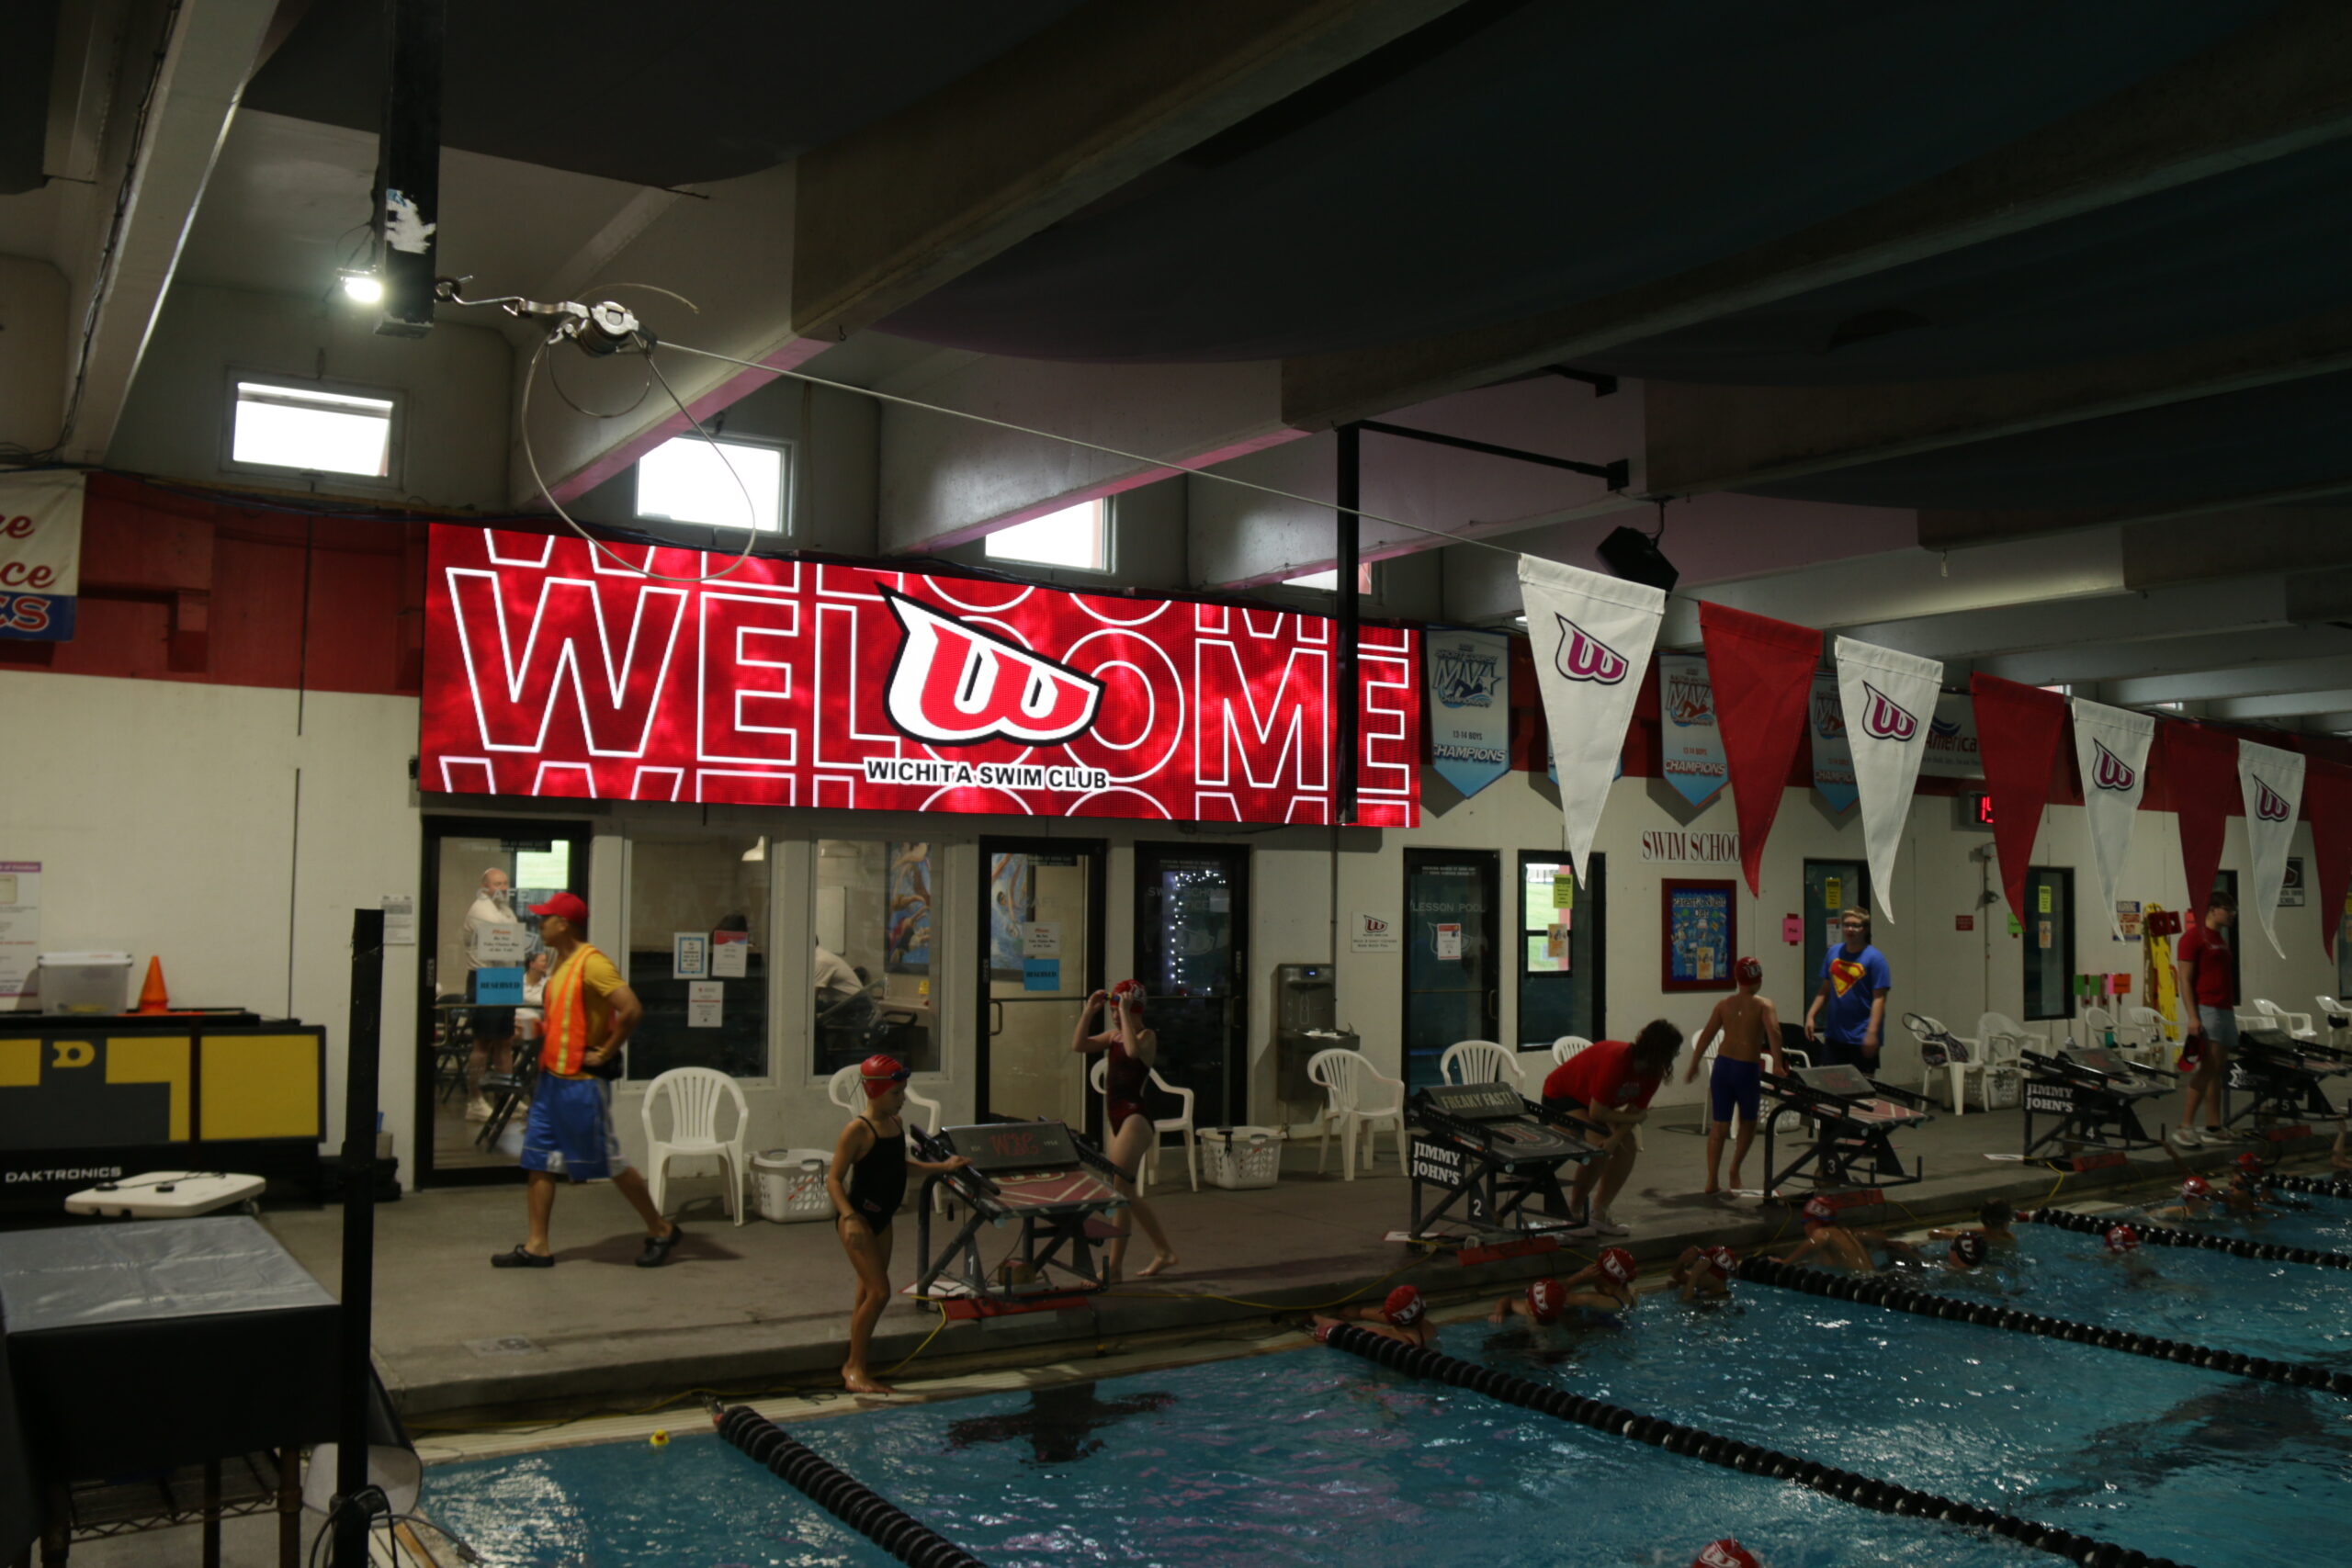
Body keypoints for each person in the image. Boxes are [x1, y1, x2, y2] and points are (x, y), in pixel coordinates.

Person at [492, 893, 680, 1269]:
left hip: (581, 1084)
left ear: (564, 924)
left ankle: (661, 1229)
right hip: (551, 1080)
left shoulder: (592, 964)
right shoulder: (560, 964)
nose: (539, 924)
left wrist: (607, 1051)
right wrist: (538, 1029)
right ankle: (537, 1246)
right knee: (538, 1160)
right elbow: (567, 1019)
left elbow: (632, 1009)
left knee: (609, 1161)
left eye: (546, 919)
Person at [829, 1053, 969, 1394]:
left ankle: (856, 1361)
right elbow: (834, 1180)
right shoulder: (857, 1130)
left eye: (903, 1091)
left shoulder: (894, 1123)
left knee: (867, 1292)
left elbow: (898, 1167)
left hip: (883, 1217)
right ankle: (854, 1368)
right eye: (896, 1093)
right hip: (859, 1219)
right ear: (873, 1091)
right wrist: (849, 1218)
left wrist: (943, 1167)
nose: (902, 1098)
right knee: (880, 1292)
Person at [1071, 981, 1179, 1280]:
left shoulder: (1146, 1036)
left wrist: (1129, 1015)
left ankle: (1116, 1268)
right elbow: (1078, 1045)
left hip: (1134, 1117)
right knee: (1124, 1193)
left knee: (1119, 1193)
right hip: (1115, 1118)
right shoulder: (1113, 1036)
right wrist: (1088, 1012)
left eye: (1119, 1011)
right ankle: (1164, 1252)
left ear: (1136, 1009)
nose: (1115, 1017)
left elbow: (1132, 1052)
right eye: (1113, 1011)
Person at [1541, 1021, 1686, 1236]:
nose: (1674, 1057)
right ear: (1660, 1051)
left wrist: (1616, 1139)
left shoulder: (1653, 1072)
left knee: (1627, 1145)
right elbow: (1598, 1113)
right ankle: (1573, 1212)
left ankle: (1600, 1212)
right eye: (1673, 1052)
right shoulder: (1617, 1061)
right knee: (1598, 1145)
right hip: (1561, 1097)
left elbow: (1629, 1116)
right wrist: (1632, 1121)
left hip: (1592, 1104)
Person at [1686, 957, 1787, 1196]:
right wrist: (1779, 1065)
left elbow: (1707, 1035)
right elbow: (1774, 1033)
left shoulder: (1724, 1004)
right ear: (1759, 979)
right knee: (1748, 1124)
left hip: (1722, 1067)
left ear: (1737, 979)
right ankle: (1734, 1171)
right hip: (1745, 1069)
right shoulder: (1764, 1005)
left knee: (1719, 1126)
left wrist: (1694, 1063)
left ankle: (1711, 1180)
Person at [2172, 891, 2237, 1147]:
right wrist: (2192, 1017)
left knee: (2216, 1071)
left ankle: (2213, 1126)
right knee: (2207, 1069)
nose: (2232, 915)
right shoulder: (2192, 938)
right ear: (2212, 909)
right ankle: (2185, 1126)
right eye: (2228, 909)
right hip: (2207, 1009)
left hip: (2224, 1008)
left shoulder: (2218, 939)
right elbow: (2184, 980)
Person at [462, 867, 525, 1122]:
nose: (502, 887)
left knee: (505, 1042)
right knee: (483, 1042)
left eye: (504, 883)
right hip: (485, 979)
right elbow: (504, 944)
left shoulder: (505, 910)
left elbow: (514, 942)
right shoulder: (481, 909)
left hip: (506, 978)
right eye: (496, 883)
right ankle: (475, 1101)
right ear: (485, 886)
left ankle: (504, 1096)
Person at [1804, 908, 1891, 1076]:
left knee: (1862, 1089)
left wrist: (1872, 1033)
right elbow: (1825, 989)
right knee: (1832, 1085)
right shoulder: (1834, 952)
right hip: (1835, 1034)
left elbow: (1879, 999)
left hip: (1861, 1035)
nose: (1850, 929)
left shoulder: (1875, 959)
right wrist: (1811, 1015)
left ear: (1864, 929)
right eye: (1846, 925)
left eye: (1856, 925)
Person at [1487, 1248, 1638, 1324]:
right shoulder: (1630, 1294)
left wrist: (1580, 1276)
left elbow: (1551, 1295)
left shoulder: (1592, 1300)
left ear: (1600, 1274)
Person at [1783, 1195, 1920, 1273]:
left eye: (1804, 1223)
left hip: (1863, 1283)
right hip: (1877, 1279)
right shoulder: (1846, 1233)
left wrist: (1785, 1262)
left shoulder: (1824, 1233)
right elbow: (1878, 1237)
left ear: (1812, 1222)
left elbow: (1815, 1242)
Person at [1314, 1285, 1431, 1348]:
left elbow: (1340, 1331)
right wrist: (1360, 1312)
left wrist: (1316, 1317)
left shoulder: (1380, 1335)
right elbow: (1399, 1318)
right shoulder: (1428, 1329)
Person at [1928, 1200, 2017, 1252]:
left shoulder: (1969, 1238)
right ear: (2005, 1223)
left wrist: (1953, 1231)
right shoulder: (2009, 1238)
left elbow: (1932, 1233)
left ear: (1982, 1219)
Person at [1668, 1244, 1737, 1302]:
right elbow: (1678, 1276)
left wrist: (1695, 1274)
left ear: (1716, 1276)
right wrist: (1682, 1260)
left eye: (1701, 1270)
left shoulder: (1719, 1304)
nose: (1699, 1274)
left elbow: (1683, 1303)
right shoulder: (1709, 1288)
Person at [2146, 1175, 2218, 1224]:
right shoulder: (2176, 1212)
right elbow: (2147, 1216)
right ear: (2192, 1198)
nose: (2211, 1201)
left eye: (2211, 1197)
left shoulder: (2209, 1215)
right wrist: (2162, 1224)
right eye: (2206, 1197)